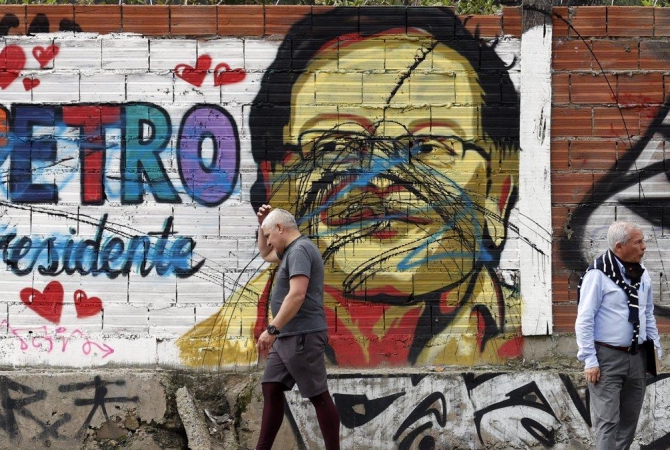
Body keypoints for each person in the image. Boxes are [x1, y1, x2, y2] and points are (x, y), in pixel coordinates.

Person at [177, 8, 522, 367]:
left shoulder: (530, 336)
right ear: (276, 182)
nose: (380, 178)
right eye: (333, 146)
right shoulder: (208, 357)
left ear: (498, 190)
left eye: (428, 147)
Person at [253, 206, 339, 450]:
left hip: (302, 334)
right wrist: (261, 225)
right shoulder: (290, 250)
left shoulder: (300, 250)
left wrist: (272, 329)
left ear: (280, 228)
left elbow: (297, 295)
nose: (268, 241)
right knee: (271, 386)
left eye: (269, 235)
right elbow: (264, 253)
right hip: (288, 335)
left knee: (318, 396)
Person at [575, 221, 661, 450]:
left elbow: (648, 313)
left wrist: (655, 348)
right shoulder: (598, 275)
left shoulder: (642, 275)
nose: (644, 247)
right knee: (607, 423)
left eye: (643, 241)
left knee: (629, 423)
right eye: (638, 242)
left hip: (637, 357)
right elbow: (584, 319)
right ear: (620, 247)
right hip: (606, 359)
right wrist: (590, 360)